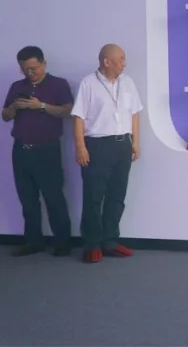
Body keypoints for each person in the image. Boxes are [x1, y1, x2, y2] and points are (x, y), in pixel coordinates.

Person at [0, 47, 74, 256]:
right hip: (21, 150)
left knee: (54, 197)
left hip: (47, 150)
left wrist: (40, 106)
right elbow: (5, 116)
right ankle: (34, 241)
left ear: (43, 63)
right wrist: (15, 107)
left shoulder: (58, 84)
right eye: (25, 70)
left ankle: (62, 243)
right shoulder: (17, 86)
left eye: (34, 68)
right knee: (27, 198)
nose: (30, 73)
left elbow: (68, 111)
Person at [71, 44, 142, 264]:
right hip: (97, 145)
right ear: (106, 61)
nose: (124, 64)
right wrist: (80, 147)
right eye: (121, 59)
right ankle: (92, 244)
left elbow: (134, 113)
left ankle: (110, 241)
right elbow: (78, 117)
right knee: (94, 197)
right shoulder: (88, 83)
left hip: (123, 145)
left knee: (117, 195)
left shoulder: (128, 82)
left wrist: (135, 142)